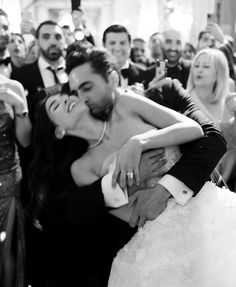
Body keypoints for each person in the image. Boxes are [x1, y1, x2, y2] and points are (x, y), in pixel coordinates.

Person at [29, 47, 226, 286]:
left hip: (201, 204)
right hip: (159, 232)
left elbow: (202, 133)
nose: (74, 97)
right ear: (58, 131)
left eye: (85, 88)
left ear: (111, 79)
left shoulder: (127, 104)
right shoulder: (80, 167)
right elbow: (132, 216)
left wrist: (139, 142)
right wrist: (137, 181)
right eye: (71, 94)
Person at [0, 75, 31, 287]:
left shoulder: (12, 87)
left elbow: (25, 140)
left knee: (6, 249)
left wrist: (20, 106)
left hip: (8, 179)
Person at [102, 24, 147, 88]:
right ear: (104, 45)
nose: (117, 48)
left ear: (130, 45)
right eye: (112, 43)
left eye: (122, 43)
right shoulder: (94, 74)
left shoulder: (144, 75)